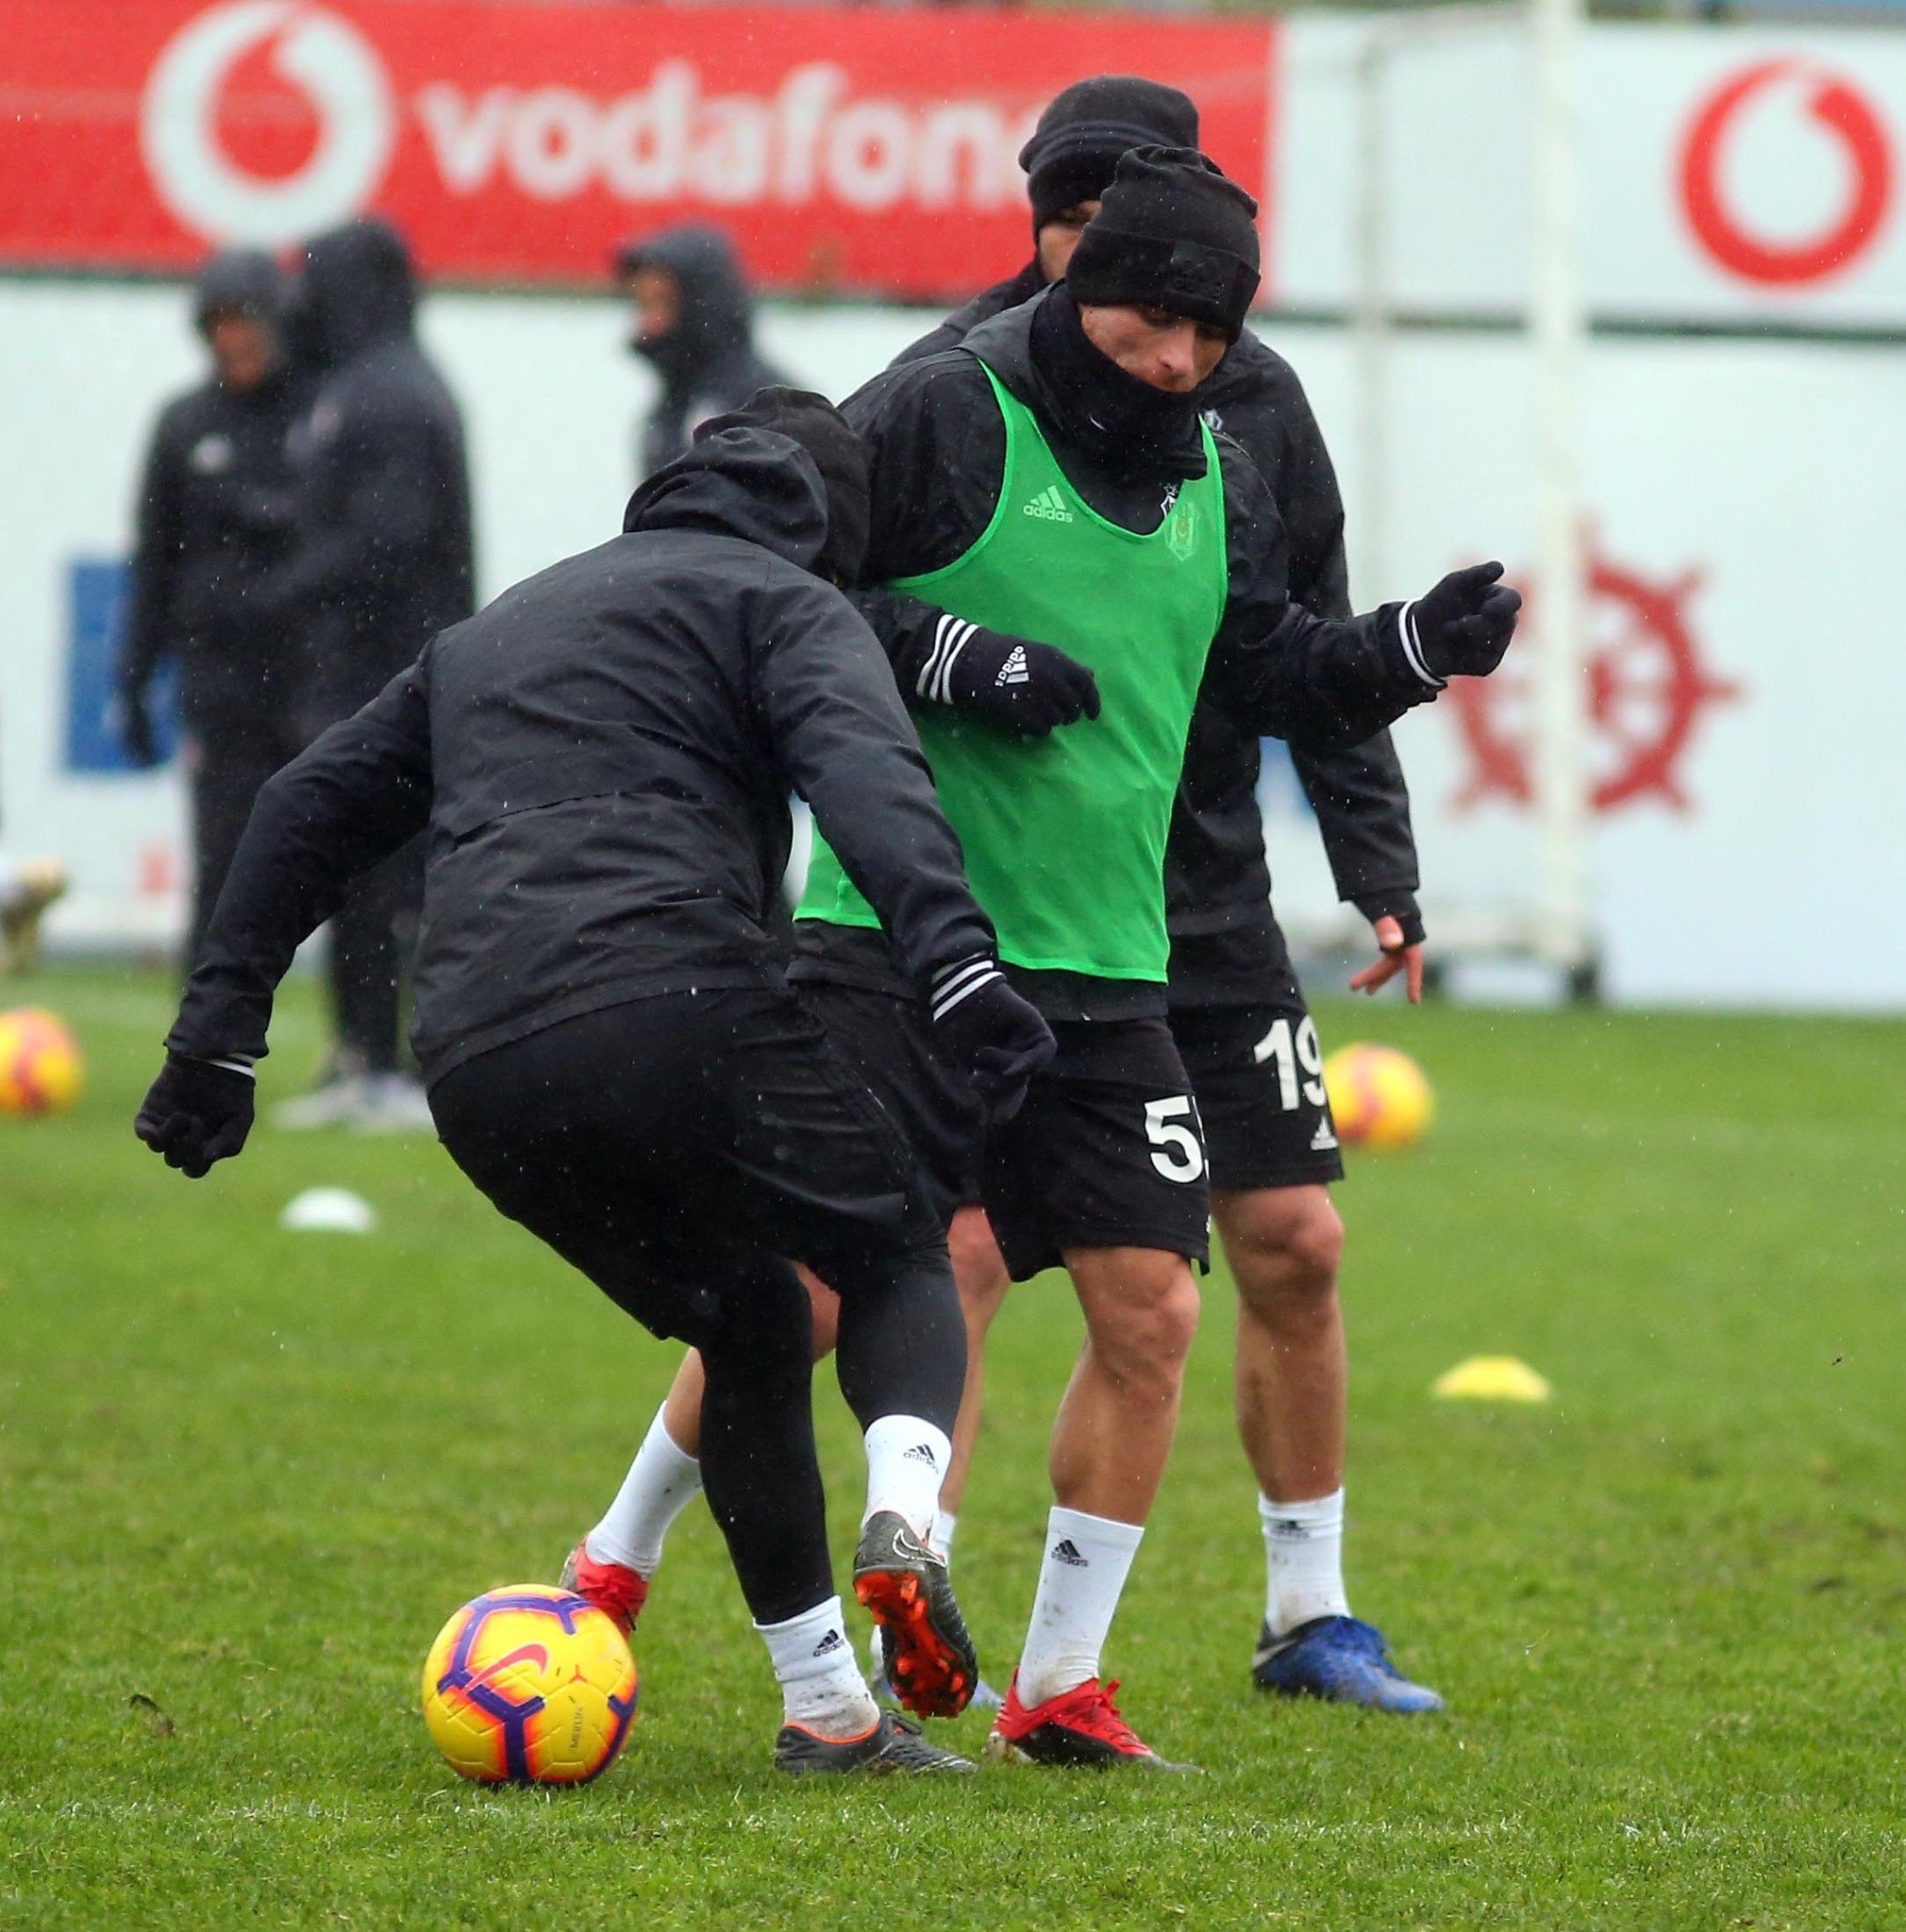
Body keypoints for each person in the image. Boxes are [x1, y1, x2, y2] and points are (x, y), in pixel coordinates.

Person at [566, 150, 1519, 1769]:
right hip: (899, 939)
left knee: (1151, 1308)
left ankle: (1059, 1688)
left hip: (1114, 965)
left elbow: (1258, 668)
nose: (1180, 357)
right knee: (811, 1293)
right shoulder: (946, 407)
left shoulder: (1222, 460)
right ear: (1086, 282)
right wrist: (951, 651)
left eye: (1212, 331)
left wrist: (1408, 650)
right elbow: (769, 576)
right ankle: (616, 1558)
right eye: (1156, 319)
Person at [132, 392, 1059, 1776]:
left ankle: (828, 1709)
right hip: (676, 1003)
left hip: (476, 1058)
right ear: (829, 536)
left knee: (750, 1318)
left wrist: (216, 1037)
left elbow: (302, 807)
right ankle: (905, 1518)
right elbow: (873, 787)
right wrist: (960, 966)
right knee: (896, 1245)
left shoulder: (502, 626)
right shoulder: (789, 603)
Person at [894, 75, 1442, 1713]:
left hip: (1198, 901)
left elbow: (1307, 642)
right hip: (1004, 904)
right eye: (1074, 217)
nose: (1105, 256)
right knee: (953, 1258)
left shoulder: (1254, 397)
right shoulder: (957, 384)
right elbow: (808, 590)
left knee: (1292, 1240)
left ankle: (1308, 1612)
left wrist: (1377, 865)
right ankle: (897, 1591)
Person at [265, 219, 475, 1133]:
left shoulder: (394, 394)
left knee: (393, 875)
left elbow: (388, 539)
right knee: (354, 869)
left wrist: (271, 595)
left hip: (395, 673)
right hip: (358, 671)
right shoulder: (355, 385)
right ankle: (360, 1056)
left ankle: (401, 1069)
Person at [118, 248, 310, 967]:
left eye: (247, 320)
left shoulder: (321, 415)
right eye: (220, 323)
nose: (235, 338)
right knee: (225, 862)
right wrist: (133, 679)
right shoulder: (184, 425)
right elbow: (154, 561)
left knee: (343, 865)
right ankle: (206, 1018)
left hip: (310, 677)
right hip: (222, 683)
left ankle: (366, 1025)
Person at [615, 225, 792, 483]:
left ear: (702, 304)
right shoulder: (669, 411)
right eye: (642, 304)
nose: (646, 323)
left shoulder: (772, 408)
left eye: (662, 302)